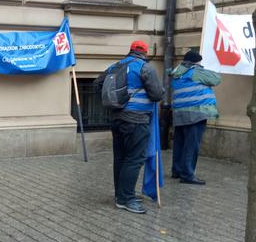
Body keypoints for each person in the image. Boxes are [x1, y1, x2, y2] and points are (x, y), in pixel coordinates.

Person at [94, 41, 165, 214]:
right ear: (145, 53)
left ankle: (121, 195)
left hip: (117, 118)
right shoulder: (144, 68)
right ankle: (126, 199)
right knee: (134, 158)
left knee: (121, 157)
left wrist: (116, 102)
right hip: (136, 120)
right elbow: (157, 94)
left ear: (131, 50)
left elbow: (97, 85)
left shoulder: (115, 66)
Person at [170, 51, 221, 185]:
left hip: (179, 113)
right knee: (191, 145)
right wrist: (200, 68)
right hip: (196, 113)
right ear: (196, 62)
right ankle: (187, 174)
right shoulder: (196, 71)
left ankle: (177, 170)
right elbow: (216, 79)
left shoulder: (176, 73)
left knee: (180, 143)